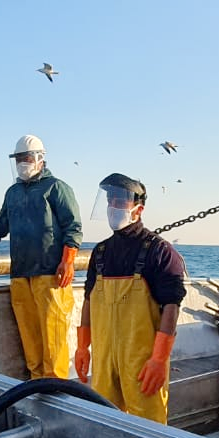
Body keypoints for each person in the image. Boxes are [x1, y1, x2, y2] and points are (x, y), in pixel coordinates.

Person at [0, 135, 83, 380]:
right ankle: (36, 387)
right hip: (20, 276)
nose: (22, 163)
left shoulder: (57, 188)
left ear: (41, 158)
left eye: (27, 158)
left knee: (54, 340)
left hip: (51, 275)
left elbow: (73, 227)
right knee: (30, 341)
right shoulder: (13, 193)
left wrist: (68, 260)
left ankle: (57, 390)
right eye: (19, 158)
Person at [73, 173, 186, 423]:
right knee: (104, 425)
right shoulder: (100, 252)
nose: (113, 206)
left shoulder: (160, 251)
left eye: (120, 201)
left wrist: (159, 359)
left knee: (150, 431)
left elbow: (171, 306)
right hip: (104, 362)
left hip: (143, 364)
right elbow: (90, 300)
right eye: (110, 200)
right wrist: (83, 346)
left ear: (138, 209)